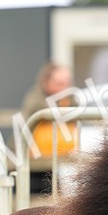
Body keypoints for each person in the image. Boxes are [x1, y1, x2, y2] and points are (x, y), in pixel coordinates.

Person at [20, 62, 78, 195]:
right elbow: (38, 112)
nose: (64, 88)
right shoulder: (36, 98)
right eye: (59, 83)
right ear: (46, 82)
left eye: (67, 83)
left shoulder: (72, 100)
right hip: (37, 162)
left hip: (64, 160)